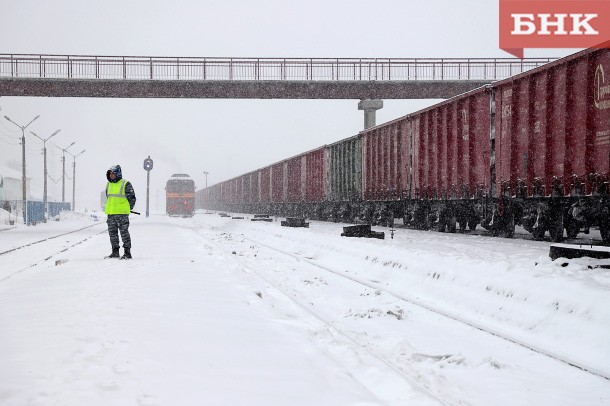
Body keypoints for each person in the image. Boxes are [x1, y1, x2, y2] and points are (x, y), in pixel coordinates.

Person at [104, 165, 136, 259]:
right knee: (112, 234)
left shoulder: (126, 183)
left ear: (118, 173)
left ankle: (127, 252)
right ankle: (115, 252)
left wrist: (126, 208)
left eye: (113, 173)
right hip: (111, 214)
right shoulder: (108, 184)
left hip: (122, 215)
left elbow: (132, 198)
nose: (111, 175)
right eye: (110, 173)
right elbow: (108, 197)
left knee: (124, 233)